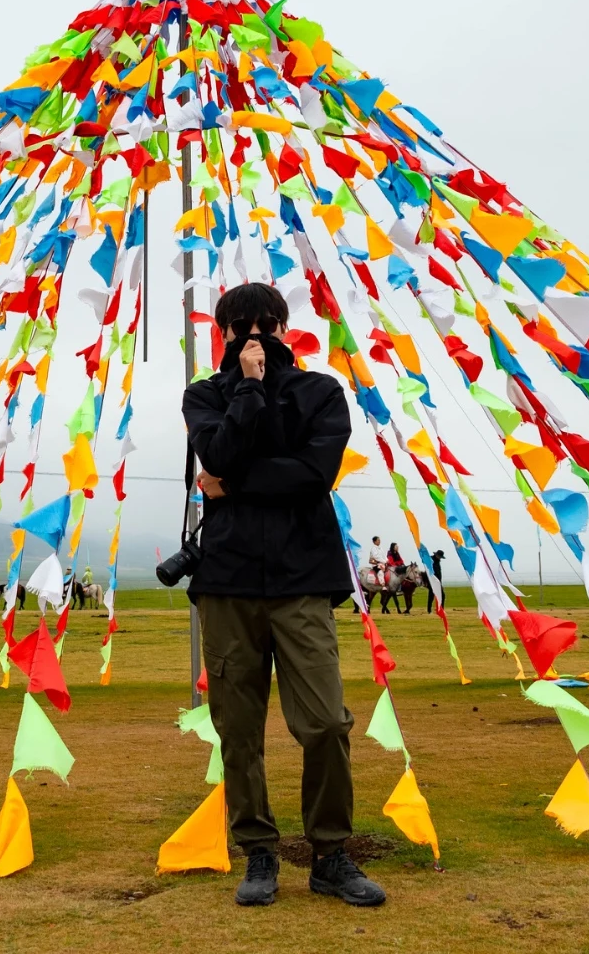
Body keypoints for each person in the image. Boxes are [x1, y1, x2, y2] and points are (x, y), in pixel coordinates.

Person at [182, 282, 386, 909]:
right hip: (227, 583)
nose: (254, 337)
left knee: (325, 722)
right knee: (238, 729)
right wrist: (247, 389)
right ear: (223, 333)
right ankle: (259, 851)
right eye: (241, 327)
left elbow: (313, 476)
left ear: (283, 327)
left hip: (303, 581)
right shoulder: (204, 396)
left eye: (265, 325)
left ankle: (330, 854)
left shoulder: (320, 392)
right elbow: (216, 451)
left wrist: (231, 483)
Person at [383, 544, 407, 614]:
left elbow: (401, 561)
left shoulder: (397, 553)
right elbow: (391, 562)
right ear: (393, 547)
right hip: (391, 567)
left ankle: (400, 588)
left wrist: (401, 564)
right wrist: (398, 564)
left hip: (397, 566)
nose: (397, 547)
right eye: (396, 546)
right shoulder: (390, 553)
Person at [426, 548, 446, 613]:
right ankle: (429, 610)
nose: (440, 558)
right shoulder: (431, 560)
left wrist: (440, 583)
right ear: (437, 555)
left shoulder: (438, 561)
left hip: (438, 581)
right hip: (432, 581)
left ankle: (441, 609)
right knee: (431, 595)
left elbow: (439, 573)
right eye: (439, 556)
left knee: (442, 595)